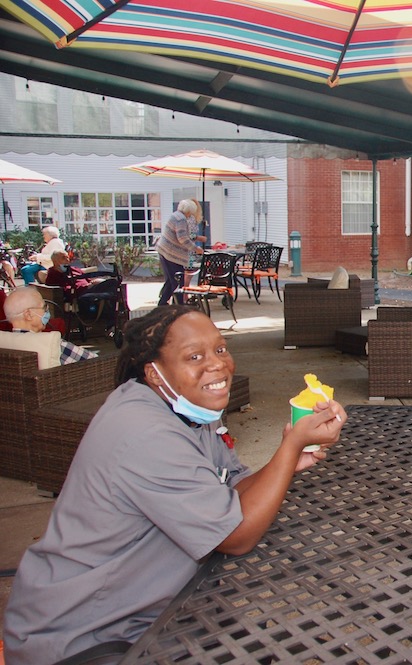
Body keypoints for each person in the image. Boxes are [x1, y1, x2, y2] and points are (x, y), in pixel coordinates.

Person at [2, 306, 346, 664]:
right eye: (194, 356)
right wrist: (289, 450)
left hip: (154, 612)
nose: (217, 365)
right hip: (83, 634)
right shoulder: (144, 431)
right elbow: (236, 536)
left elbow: (231, 491)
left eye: (220, 349)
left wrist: (287, 461)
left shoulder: (191, 407)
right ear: (154, 372)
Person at [2, 287, 94, 363]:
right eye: (44, 307)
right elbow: (95, 361)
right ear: (28, 314)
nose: (47, 311)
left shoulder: (3, 342)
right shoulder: (52, 344)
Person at [156, 199, 205, 306]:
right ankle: (178, 305)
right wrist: (196, 249)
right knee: (178, 281)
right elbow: (183, 239)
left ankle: (164, 304)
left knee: (171, 280)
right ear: (188, 211)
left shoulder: (175, 215)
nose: (191, 215)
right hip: (171, 254)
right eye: (191, 212)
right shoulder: (181, 219)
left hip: (165, 251)